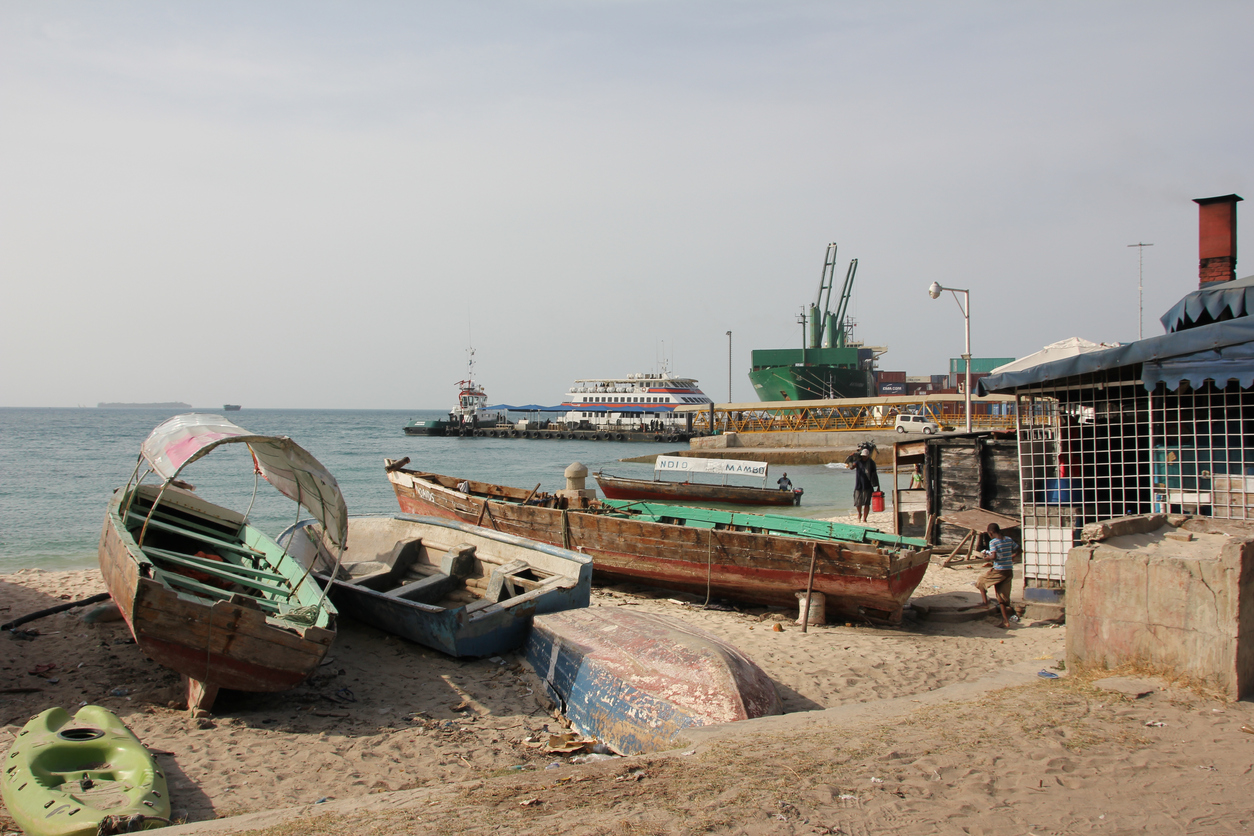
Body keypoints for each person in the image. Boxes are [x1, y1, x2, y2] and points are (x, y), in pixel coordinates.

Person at [976, 523, 1020, 628]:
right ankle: (1005, 621)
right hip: (1009, 570)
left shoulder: (993, 542)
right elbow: (1019, 550)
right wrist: (1012, 556)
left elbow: (994, 556)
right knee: (1002, 597)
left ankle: (985, 603)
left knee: (981, 581)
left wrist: (987, 558)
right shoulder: (1008, 539)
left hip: (999, 570)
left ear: (990, 533)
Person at [852, 447, 879, 522]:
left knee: (867, 503)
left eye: (865, 456)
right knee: (858, 502)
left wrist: (878, 486)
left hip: (868, 486)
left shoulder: (871, 463)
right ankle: (859, 514)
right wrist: (852, 458)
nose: (864, 457)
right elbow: (852, 467)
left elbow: (875, 475)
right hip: (858, 485)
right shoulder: (858, 461)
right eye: (863, 456)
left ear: (868, 456)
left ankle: (864, 518)